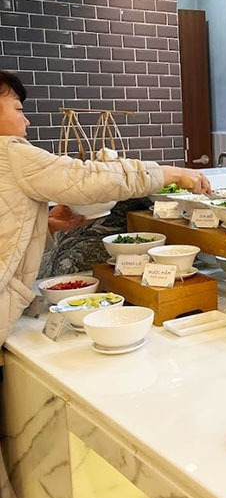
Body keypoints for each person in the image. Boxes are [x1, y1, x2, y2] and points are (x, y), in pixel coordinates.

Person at [0, 69, 211, 345]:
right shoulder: (11, 151)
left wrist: (48, 224)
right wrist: (170, 173)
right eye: (18, 109)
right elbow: (87, 178)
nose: (26, 120)